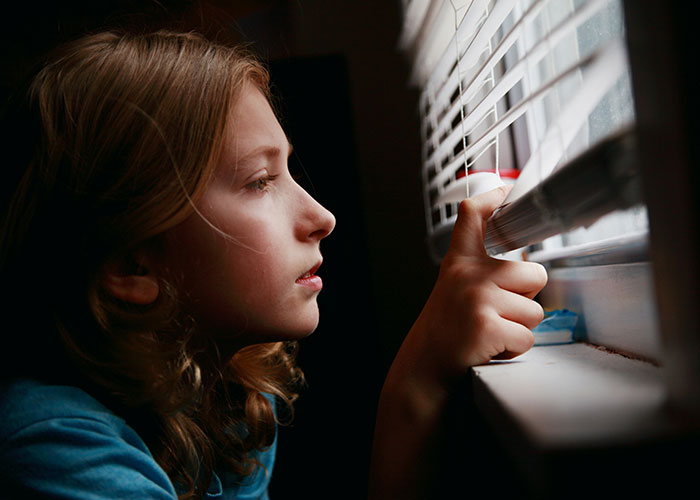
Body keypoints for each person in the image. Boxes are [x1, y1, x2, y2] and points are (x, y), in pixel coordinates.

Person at [0, 30, 546, 499]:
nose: (323, 217)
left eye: (286, 171)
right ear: (132, 265)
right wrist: (415, 378)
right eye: (260, 181)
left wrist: (419, 382)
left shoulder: (234, 394)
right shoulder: (54, 446)